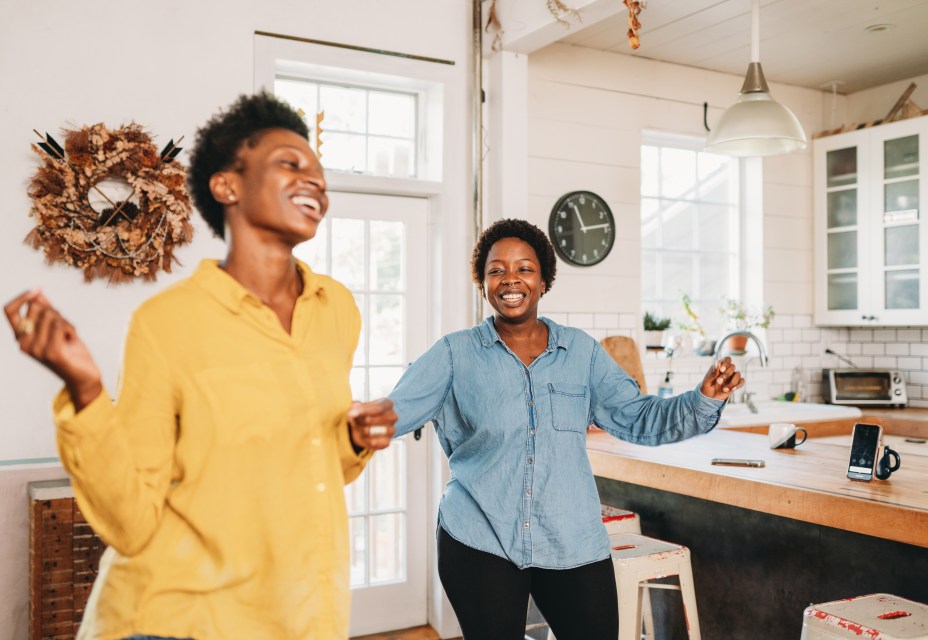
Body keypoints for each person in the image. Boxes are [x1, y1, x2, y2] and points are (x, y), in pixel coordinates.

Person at [4, 92, 397, 640]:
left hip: (292, 618)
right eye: (290, 164)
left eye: (320, 172)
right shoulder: (166, 323)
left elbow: (310, 466)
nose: (316, 183)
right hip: (175, 620)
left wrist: (352, 439)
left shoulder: (337, 310)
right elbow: (132, 523)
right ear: (226, 185)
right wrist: (85, 388)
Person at [388, 218, 743, 640]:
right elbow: (389, 413)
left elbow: (639, 417)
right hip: (480, 536)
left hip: (571, 538)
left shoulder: (582, 353)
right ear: (482, 283)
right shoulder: (453, 354)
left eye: (524, 268)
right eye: (496, 270)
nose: (510, 280)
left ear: (544, 280)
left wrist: (703, 398)